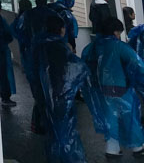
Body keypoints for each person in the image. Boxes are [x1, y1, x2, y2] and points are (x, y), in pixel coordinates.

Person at [33, 13, 106, 162]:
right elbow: (76, 69)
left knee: (53, 132)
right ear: (61, 29)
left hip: (43, 96)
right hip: (61, 96)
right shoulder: (60, 47)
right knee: (66, 133)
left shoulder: (38, 45)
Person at [82, 15, 144, 158]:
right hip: (121, 87)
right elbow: (138, 64)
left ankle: (112, 149)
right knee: (129, 116)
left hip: (101, 89)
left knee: (110, 119)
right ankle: (137, 147)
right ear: (115, 31)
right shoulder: (118, 46)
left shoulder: (92, 46)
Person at [0, 0, 16, 107]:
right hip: (0, 50)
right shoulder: (0, 19)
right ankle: (5, 97)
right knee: (3, 74)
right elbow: (9, 35)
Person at [11, 0, 33, 81]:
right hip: (32, 43)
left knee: (26, 59)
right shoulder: (32, 16)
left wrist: (19, 37)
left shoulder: (19, 18)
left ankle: (28, 75)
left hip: (23, 43)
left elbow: (12, 29)